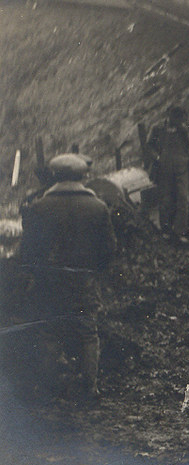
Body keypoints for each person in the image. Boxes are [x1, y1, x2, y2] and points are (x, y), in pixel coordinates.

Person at [18, 153, 116, 400]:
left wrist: (38, 274)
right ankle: (89, 388)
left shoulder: (40, 207)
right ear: (83, 175)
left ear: (54, 175)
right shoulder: (98, 206)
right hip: (85, 280)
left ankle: (51, 388)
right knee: (88, 333)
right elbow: (108, 250)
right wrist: (95, 273)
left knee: (49, 332)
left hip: (50, 280)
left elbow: (28, 251)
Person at [147, 105, 189, 242]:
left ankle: (179, 231)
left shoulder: (183, 129)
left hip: (180, 169)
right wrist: (158, 158)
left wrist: (185, 159)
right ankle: (165, 231)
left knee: (183, 199)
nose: (178, 122)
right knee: (165, 200)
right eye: (175, 118)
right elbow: (149, 146)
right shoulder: (157, 128)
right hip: (164, 169)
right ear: (169, 116)